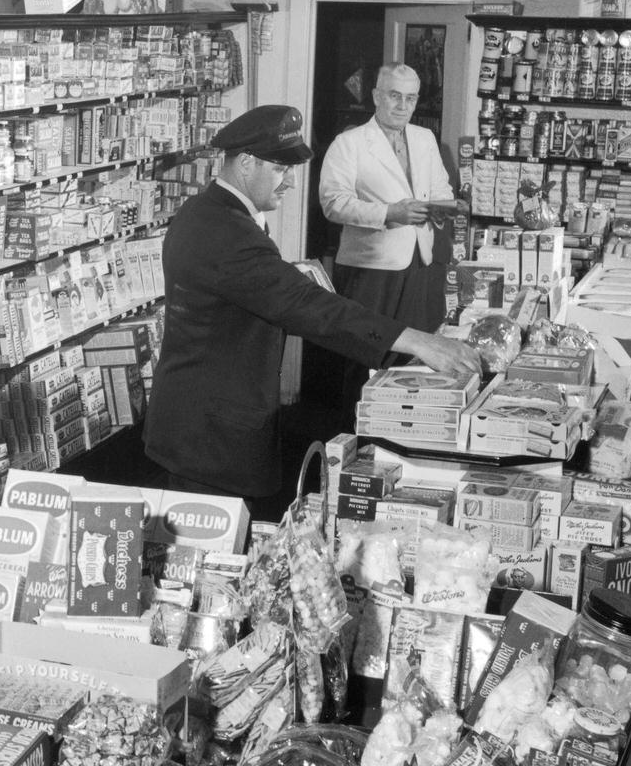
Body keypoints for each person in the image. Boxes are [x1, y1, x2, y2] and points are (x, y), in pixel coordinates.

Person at [142, 105, 480, 520]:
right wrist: (415, 340)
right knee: (210, 548)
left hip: (202, 418)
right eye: (281, 168)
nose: (291, 181)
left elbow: (264, 289)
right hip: (209, 433)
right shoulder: (227, 231)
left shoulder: (212, 212)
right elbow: (304, 305)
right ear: (246, 164)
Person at [319, 62, 462, 336]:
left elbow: (440, 189)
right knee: (366, 352)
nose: (402, 105)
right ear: (376, 96)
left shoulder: (425, 138)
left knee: (412, 354)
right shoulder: (349, 143)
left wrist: (443, 208)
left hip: (419, 262)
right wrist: (390, 213)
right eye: (394, 96)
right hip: (370, 268)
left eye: (410, 98)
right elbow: (333, 203)